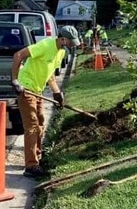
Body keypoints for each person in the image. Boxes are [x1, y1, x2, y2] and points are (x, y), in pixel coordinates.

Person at [11, 25, 82, 178]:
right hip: (26, 88)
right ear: (62, 39)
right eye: (70, 42)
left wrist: (57, 93)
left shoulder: (61, 52)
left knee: (41, 123)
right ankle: (31, 166)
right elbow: (18, 55)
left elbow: (50, 75)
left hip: (38, 90)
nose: (71, 45)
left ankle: (38, 158)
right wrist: (15, 80)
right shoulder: (45, 45)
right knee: (32, 126)